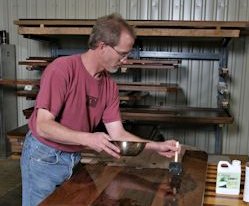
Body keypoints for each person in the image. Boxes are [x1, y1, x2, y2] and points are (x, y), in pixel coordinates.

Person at [20, 13, 180, 206]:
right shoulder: (62, 69)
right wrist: (88, 138)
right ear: (102, 46)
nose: (126, 60)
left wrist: (156, 147)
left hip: (74, 156)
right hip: (43, 156)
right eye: (122, 53)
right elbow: (44, 126)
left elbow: (118, 133)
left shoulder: (109, 87)